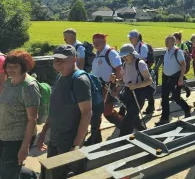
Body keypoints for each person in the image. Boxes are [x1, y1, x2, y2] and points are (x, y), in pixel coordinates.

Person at [36, 45, 92, 179]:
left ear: (74, 59)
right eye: (56, 60)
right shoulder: (60, 78)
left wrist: (76, 144)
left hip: (69, 140)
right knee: (50, 171)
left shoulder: (79, 81)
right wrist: (43, 133)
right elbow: (55, 108)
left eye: (62, 60)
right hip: (56, 136)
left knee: (66, 174)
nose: (58, 64)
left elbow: (87, 113)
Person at [0, 51, 39, 179]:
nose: (10, 70)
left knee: (8, 174)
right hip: (4, 135)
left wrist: (24, 147)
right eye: (8, 66)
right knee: (5, 169)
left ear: (24, 66)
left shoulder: (29, 86)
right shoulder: (8, 82)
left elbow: (32, 120)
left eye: (15, 67)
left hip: (17, 139)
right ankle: (33, 176)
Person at [110, 44, 152, 135]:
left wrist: (136, 85)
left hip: (138, 94)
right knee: (134, 118)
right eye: (122, 56)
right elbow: (124, 82)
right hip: (128, 94)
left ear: (132, 54)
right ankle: (144, 133)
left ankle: (122, 141)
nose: (124, 58)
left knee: (127, 120)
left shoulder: (140, 63)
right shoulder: (124, 65)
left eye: (126, 55)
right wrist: (116, 81)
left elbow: (149, 81)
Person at [91, 33, 122, 144]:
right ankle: (95, 138)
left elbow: (119, 70)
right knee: (95, 112)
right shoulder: (98, 53)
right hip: (96, 86)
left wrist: (117, 88)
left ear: (104, 42)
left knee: (107, 112)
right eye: (93, 42)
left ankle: (124, 126)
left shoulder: (111, 53)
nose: (94, 44)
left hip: (108, 86)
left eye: (97, 42)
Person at [156, 35, 190, 126]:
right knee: (164, 97)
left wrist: (181, 78)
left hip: (175, 78)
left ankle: (187, 109)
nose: (166, 42)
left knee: (176, 98)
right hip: (165, 77)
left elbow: (183, 65)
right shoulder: (167, 51)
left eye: (168, 41)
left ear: (173, 42)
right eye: (165, 40)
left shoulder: (177, 52)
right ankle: (164, 118)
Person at [127, 30, 155, 114]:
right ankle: (150, 106)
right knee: (144, 88)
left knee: (146, 88)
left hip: (143, 70)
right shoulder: (133, 46)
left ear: (136, 38)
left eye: (131, 37)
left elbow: (142, 58)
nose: (130, 39)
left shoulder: (143, 47)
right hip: (136, 70)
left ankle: (149, 106)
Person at [173, 32, 192, 98]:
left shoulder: (183, 45)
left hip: (181, 66)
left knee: (178, 80)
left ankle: (177, 95)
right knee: (177, 80)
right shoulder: (175, 46)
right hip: (176, 66)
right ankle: (185, 89)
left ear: (178, 39)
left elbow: (186, 55)